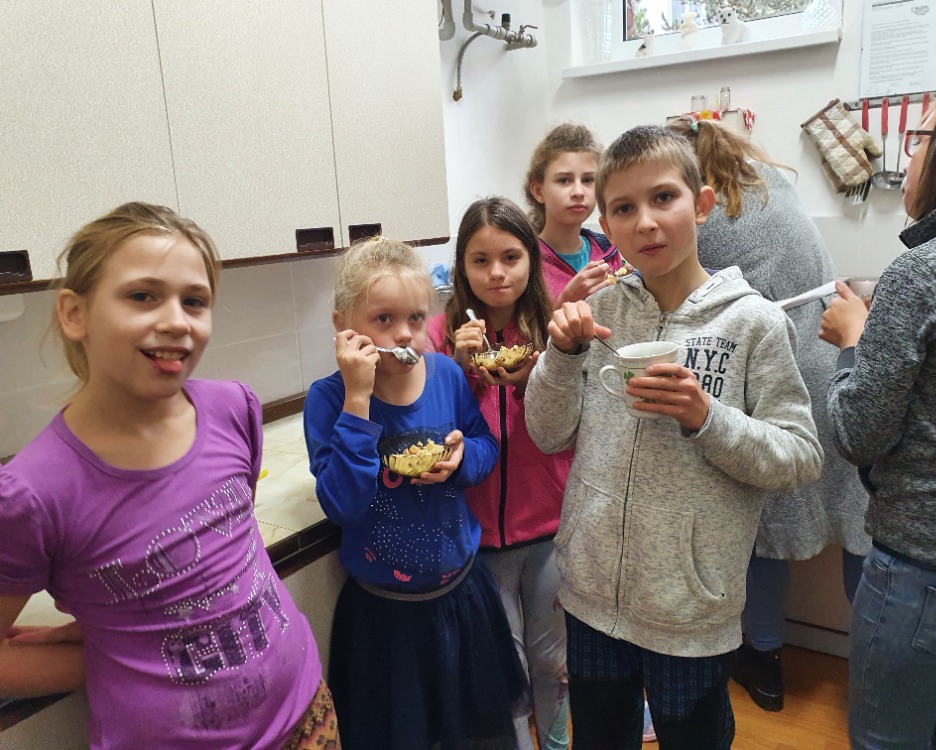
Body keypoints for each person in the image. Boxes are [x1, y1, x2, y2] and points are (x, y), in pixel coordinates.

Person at [524, 124, 824, 749]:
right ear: (605, 224)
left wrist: (706, 418)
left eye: (664, 198)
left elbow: (799, 457)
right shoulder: (600, 313)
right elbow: (547, 435)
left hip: (692, 611)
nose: (646, 223)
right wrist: (560, 355)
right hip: (590, 597)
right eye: (624, 208)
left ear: (703, 204)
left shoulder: (753, 324)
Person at [0, 202, 337, 749]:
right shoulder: (33, 492)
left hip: (306, 714)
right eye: (142, 296)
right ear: (74, 313)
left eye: (195, 301)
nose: (177, 321)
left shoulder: (233, 409)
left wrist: (115, 626)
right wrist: (112, 658)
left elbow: (222, 560)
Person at [819, 72, 936, 749]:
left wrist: (853, 341)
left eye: (919, 138)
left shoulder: (927, 271)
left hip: (925, 573)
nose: (909, 156)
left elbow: (858, 433)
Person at [665, 116, 870, 712]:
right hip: (834, 362)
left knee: (765, 530)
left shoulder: (702, 219)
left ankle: (765, 662)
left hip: (776, 372)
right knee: (859, 524)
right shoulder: (769, 183)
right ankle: (876, 662)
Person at [303, 237, 525, 750]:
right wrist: (358, 400)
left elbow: (485, 446)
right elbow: (343, 505)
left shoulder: (445, 373)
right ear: (343, 325)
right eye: (383, 319)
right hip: (384, 619)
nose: (404, 334)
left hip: (462, 598)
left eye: (416, 319)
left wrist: (462, 460)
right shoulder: (330, 399)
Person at [426, 197, 571, 750]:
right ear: (461, 267)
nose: (496, 273)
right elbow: (428, 434)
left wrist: (539, 379)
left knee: (553, 660)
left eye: (510, 257)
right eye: (480, 260)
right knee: (504, 665)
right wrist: (458, 370)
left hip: (551, 530)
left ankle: (555, 743)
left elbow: (573, 426)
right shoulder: (439, 336)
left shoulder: (555, 332)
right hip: (477, 538)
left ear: (531, 258)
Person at [524, 122, 626, 308]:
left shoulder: (609, 251)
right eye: (564, 180)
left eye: (588, 180)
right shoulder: (524, 261)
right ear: (538, 190)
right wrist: (565, 303)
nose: (578, 192)